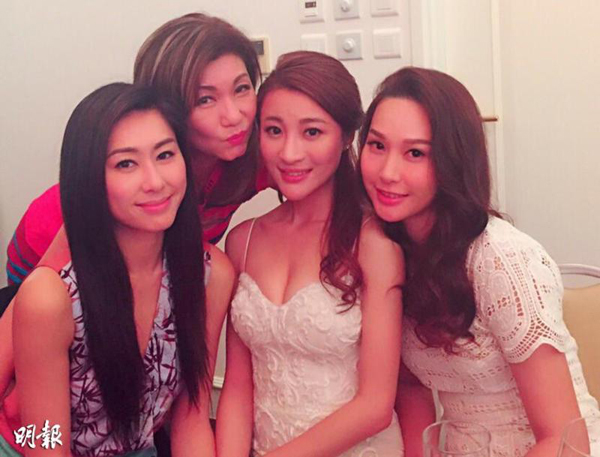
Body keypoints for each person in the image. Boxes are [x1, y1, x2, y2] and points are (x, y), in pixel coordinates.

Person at [359, 66, 600, 457]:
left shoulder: (502, 259)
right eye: (377, 145)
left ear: (453, 161)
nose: (388, 172)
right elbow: (410, 386)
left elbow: (562, 437)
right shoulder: (386, 249)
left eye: (415, 153)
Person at [0, 83, 233, 456]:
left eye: (165, 155)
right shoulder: (51, 297)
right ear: (89, 178)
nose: (155, 182)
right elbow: (45, 443)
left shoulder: (210, 275)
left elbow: (191, 418)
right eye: (126, 163)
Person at [216, 51, 404, 457]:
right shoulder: (243, 239)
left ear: (347, 136)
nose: (289, 153)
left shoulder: (374, 242)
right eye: (274, 130)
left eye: (312, 132)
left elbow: (375, 406)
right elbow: (237, 388)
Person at [6, 12, 268, 286]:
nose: (234, 116)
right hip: (45, 256)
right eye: (205, 99)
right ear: (167, 107)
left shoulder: (254, 157)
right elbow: (26, 307)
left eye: (241, 88)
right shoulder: (102, 195)